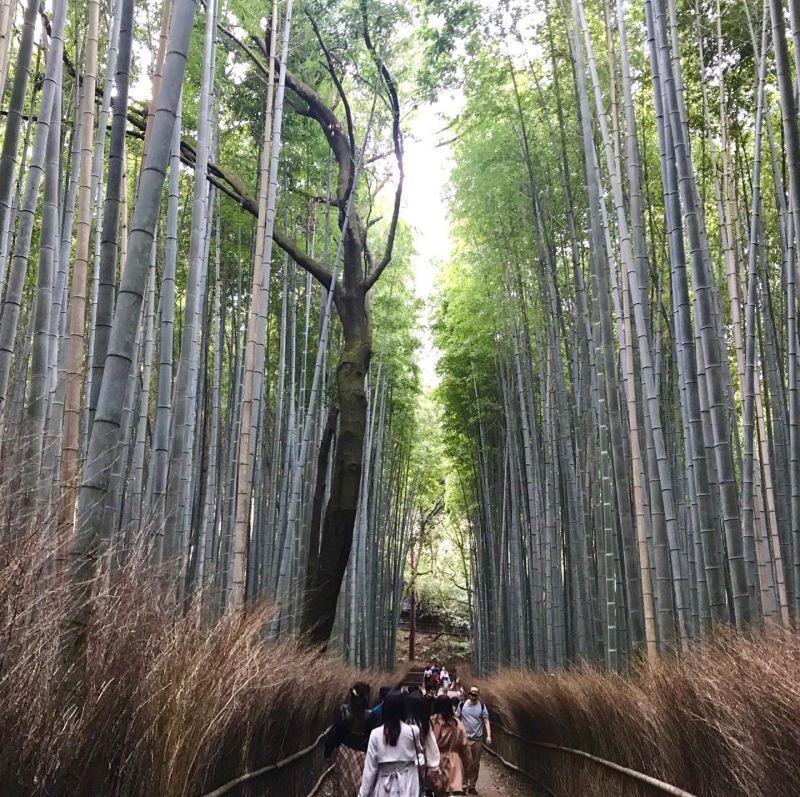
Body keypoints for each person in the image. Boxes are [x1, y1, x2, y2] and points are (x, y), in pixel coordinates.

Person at [358, 690, 440, 797]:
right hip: (409, 782)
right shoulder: (413, 731)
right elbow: (418, 751)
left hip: (384, 783)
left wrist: (363, 793)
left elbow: (370, 768)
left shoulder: (375, 734)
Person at [325, 682, 373, 796]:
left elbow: (335, 733)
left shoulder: (344, 712)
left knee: (344, 787)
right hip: (363, 756)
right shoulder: (370, 716)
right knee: (361, 787)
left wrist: (328, 752)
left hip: (345, 754)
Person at [431, 695, 468, 796]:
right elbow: (464, 745)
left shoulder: (431, 722)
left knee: (436, 790)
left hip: (435, 760)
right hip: (454, 759)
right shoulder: (457, 723)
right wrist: (467, 764)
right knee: (453, 790)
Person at [406, 690, 442, 795]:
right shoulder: (425, 721)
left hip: (403, 761)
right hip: (419, 761)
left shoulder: (403, 720)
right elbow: (430, 742)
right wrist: (434, 765)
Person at [458, 686, 491, 795]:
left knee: (475, 764)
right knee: (464, 762)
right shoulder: (462, 705)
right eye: (472, 692)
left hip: (477, 739)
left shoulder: (482, 706)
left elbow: (486, 721)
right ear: (468, 693)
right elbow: (457, 719)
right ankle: (463, 785)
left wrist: (488, 735)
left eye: (476, 692)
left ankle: (471, 786)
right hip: (465, 739)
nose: (473, 694)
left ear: (478, 694)